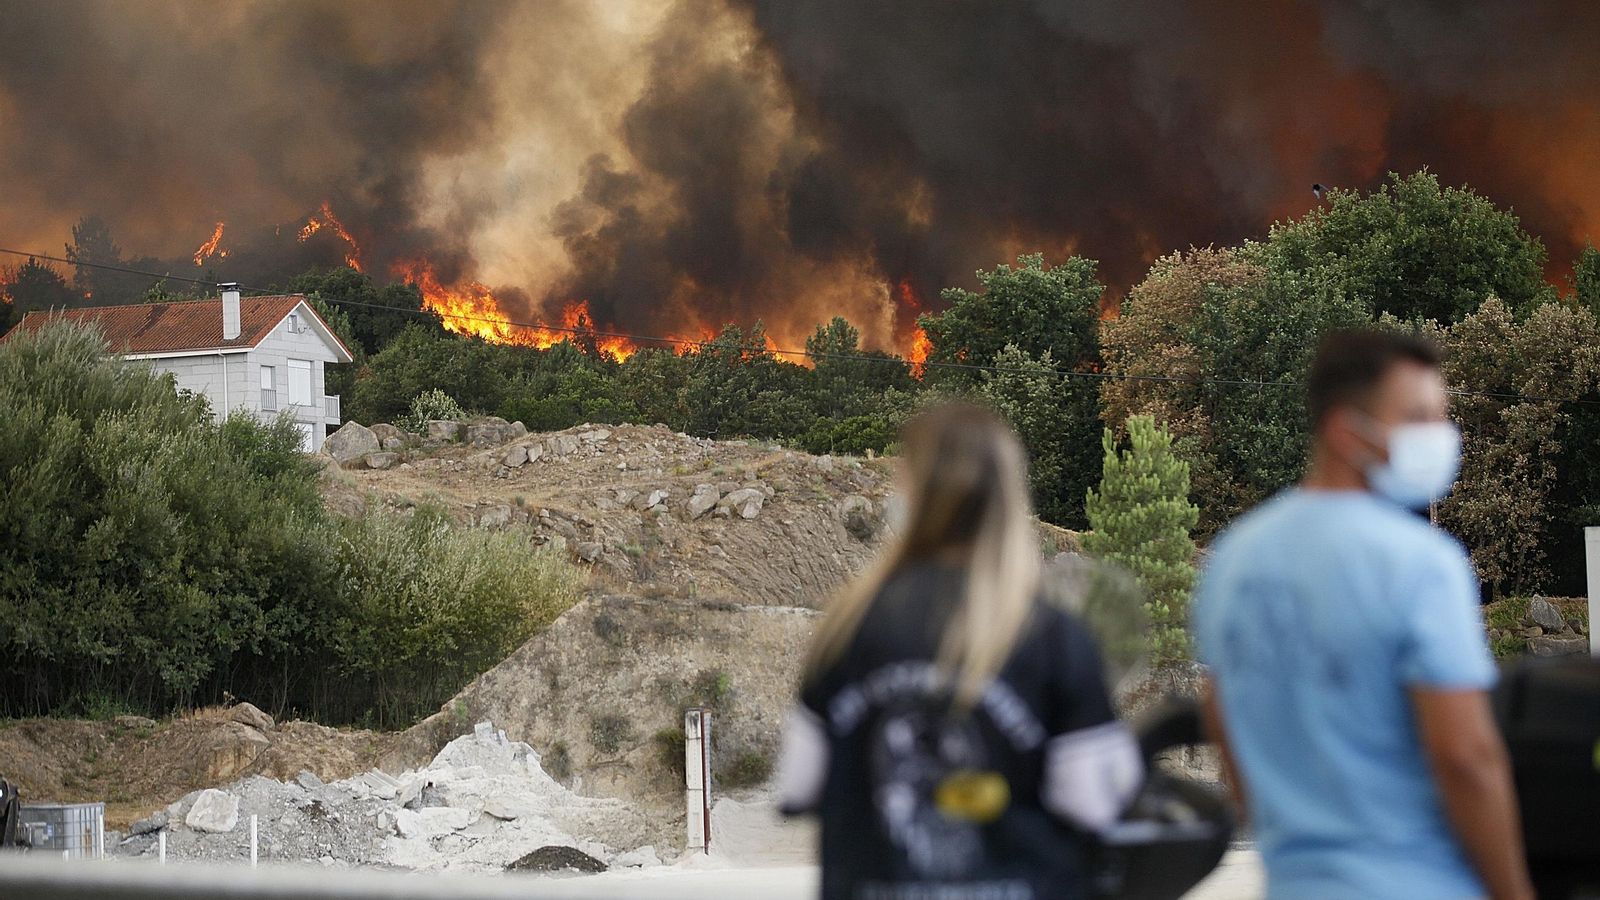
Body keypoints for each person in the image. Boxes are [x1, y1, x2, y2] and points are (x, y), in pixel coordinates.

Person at [1194, 330, 1534, 899]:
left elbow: (1226, 727)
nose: (1440, 436)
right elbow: (1466, 758)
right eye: (1418, 416)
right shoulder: (1422, 563)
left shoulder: (1232, 560)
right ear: (1346, 432)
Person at [775, 403, 1143, 900]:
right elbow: (1096, 803)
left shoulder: (846, 629)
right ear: (1008, 498)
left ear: (911, 494)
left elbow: (798, 787)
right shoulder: (1053, 637)